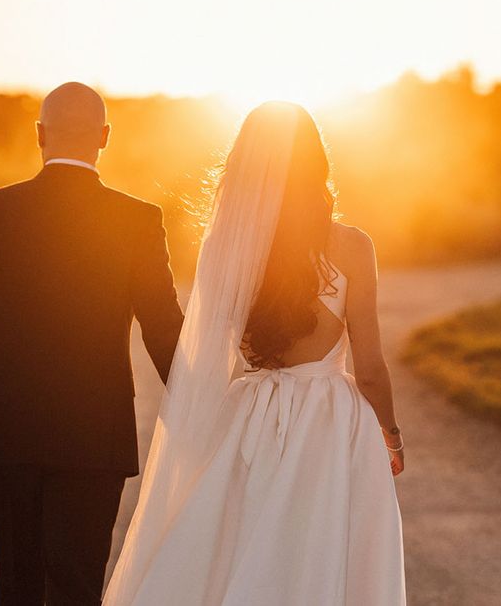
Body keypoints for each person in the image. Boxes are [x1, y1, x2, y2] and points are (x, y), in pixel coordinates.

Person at [103, 102, 406, 605]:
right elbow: (371, 368)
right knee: (324, 551)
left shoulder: (228, 244)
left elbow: (207, 358)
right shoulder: (351, 245)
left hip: (249, 417)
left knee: (241, 550)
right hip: (329, 424)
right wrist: (390, 434)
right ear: (317, 162)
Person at [0, 82, 184, 605]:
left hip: (2, 431)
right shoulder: (137, 219)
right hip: (95, 433)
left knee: (17, 582)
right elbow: (164, 330)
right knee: (78, 583)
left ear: (40, 134)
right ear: (105, 137)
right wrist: (210, 411)